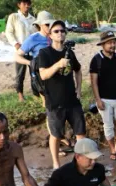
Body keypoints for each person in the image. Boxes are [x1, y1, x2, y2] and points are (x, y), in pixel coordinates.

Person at [38, 20, 87, 170]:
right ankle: (56, 164)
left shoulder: (69, 52)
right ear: (50, 35)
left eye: (62, 31)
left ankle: (81, 162)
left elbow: (78, 70)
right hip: (54, 101)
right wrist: (58, 65)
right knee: (56, 134)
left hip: (72, 100)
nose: (60, 33)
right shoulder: (44, 53)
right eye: (56, 31)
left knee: (81, 133)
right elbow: (43, 75)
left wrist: (79, 89)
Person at [90, 31, 116, 160]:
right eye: (109, 43)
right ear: (102, 44)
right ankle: (113, 149)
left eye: (114, 42)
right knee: (108, 126)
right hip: (104, 99)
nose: (112, 45)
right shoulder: (96, 60)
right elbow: (94, 82)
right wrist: (98, 100)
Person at [42, 138, 111, 186]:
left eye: (95, 158)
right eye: (90, 159)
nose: (93, 162)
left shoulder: (99, 169)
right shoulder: (61, 173)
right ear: (77, 157)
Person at [14, 11, 55, 99]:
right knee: (47, 99)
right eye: (47, 24)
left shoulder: (55, 35)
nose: (50, 27)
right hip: (41, 72)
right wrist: (30, 63)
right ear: (40, 25)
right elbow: (17, 56)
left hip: (54, 70)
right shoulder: (33, 38)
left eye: (52, 24)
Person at [5, 0, 36, 101]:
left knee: (34, 72)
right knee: (20, 74)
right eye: (24, 4)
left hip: (32, 50)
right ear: (19, 5)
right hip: (20, 50)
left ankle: (36, 93)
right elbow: (9, 32)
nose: (27, 6)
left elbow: (35, 34)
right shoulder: (14, 17)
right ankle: (20, 95)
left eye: (28, 4)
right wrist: (16, 44)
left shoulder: (33, 19)